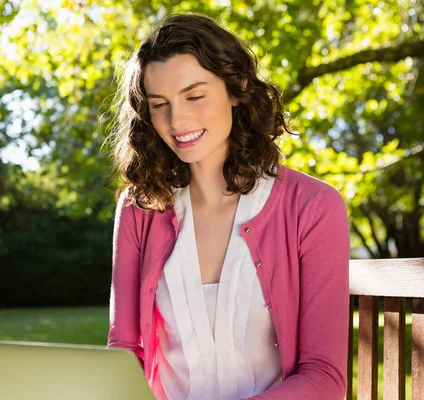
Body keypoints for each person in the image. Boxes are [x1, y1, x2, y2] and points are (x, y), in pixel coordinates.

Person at [105, 13, 350, 400]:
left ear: (237, 88)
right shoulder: (140, 209)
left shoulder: (312, 207)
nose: (177, 120)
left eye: (195, 95)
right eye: (159, 105)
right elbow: (125, 352)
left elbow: (324, 376)